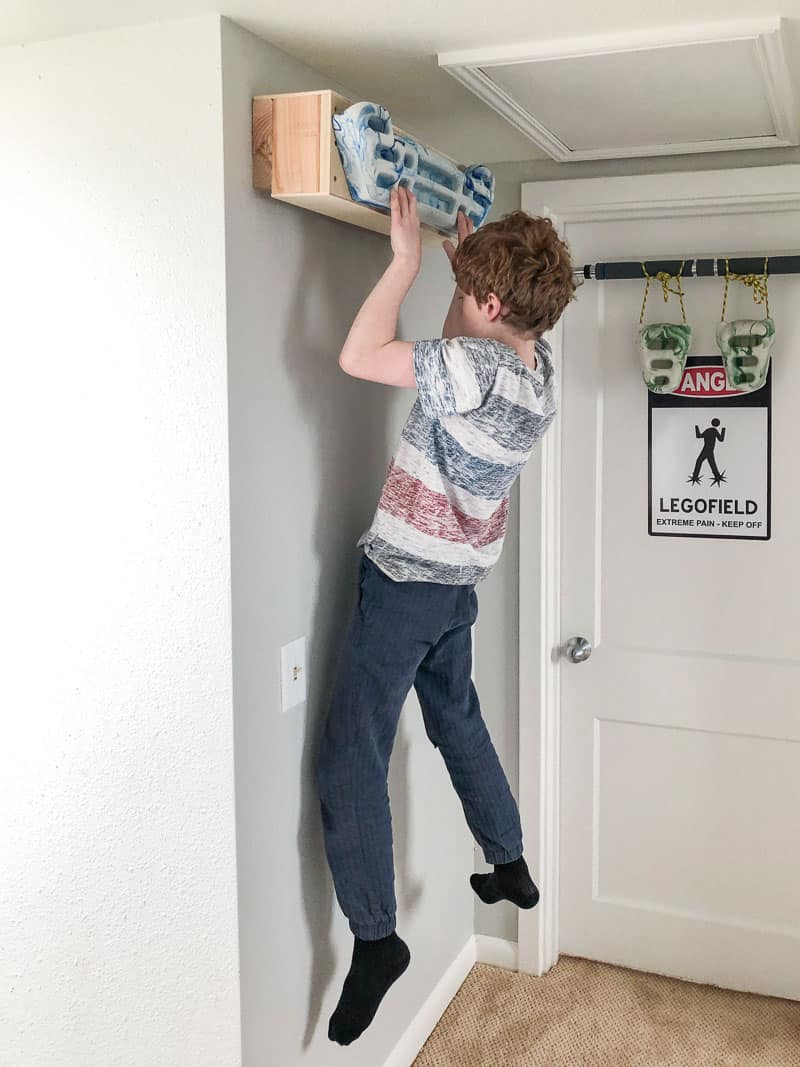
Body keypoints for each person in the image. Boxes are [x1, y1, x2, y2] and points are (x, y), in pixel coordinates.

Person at [316, 186, 576, 1046]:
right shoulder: (539, 375)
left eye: (470, 294)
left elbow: (362, 355)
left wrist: (405, 265)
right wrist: (469, 273)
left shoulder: (469, 368)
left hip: (405, 582)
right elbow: (470, 350)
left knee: (351, 750)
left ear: (491, 301)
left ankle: (375, 935)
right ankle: (509, 861)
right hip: (458, 583)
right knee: (456, 722)